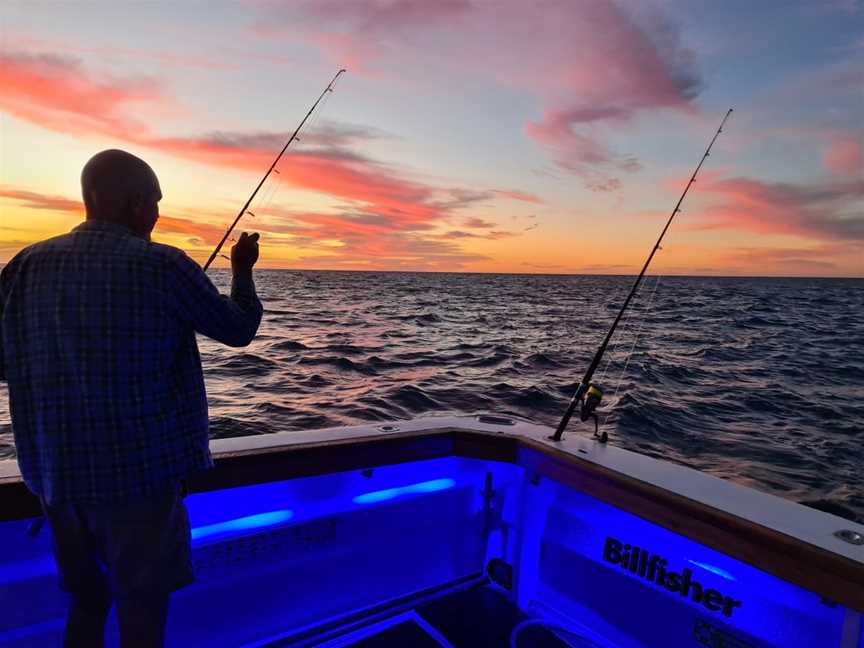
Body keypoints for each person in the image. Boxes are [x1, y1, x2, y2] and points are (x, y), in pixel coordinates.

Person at [0, 149, 263, 647]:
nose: (158, 212)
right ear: (135, 201)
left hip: (56, 482)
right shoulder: (162, 265)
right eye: (155, 200)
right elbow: (237, 329)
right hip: (138, 482)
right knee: (141, 614)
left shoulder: (23, 267)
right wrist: (243, 270)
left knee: (88, 602)